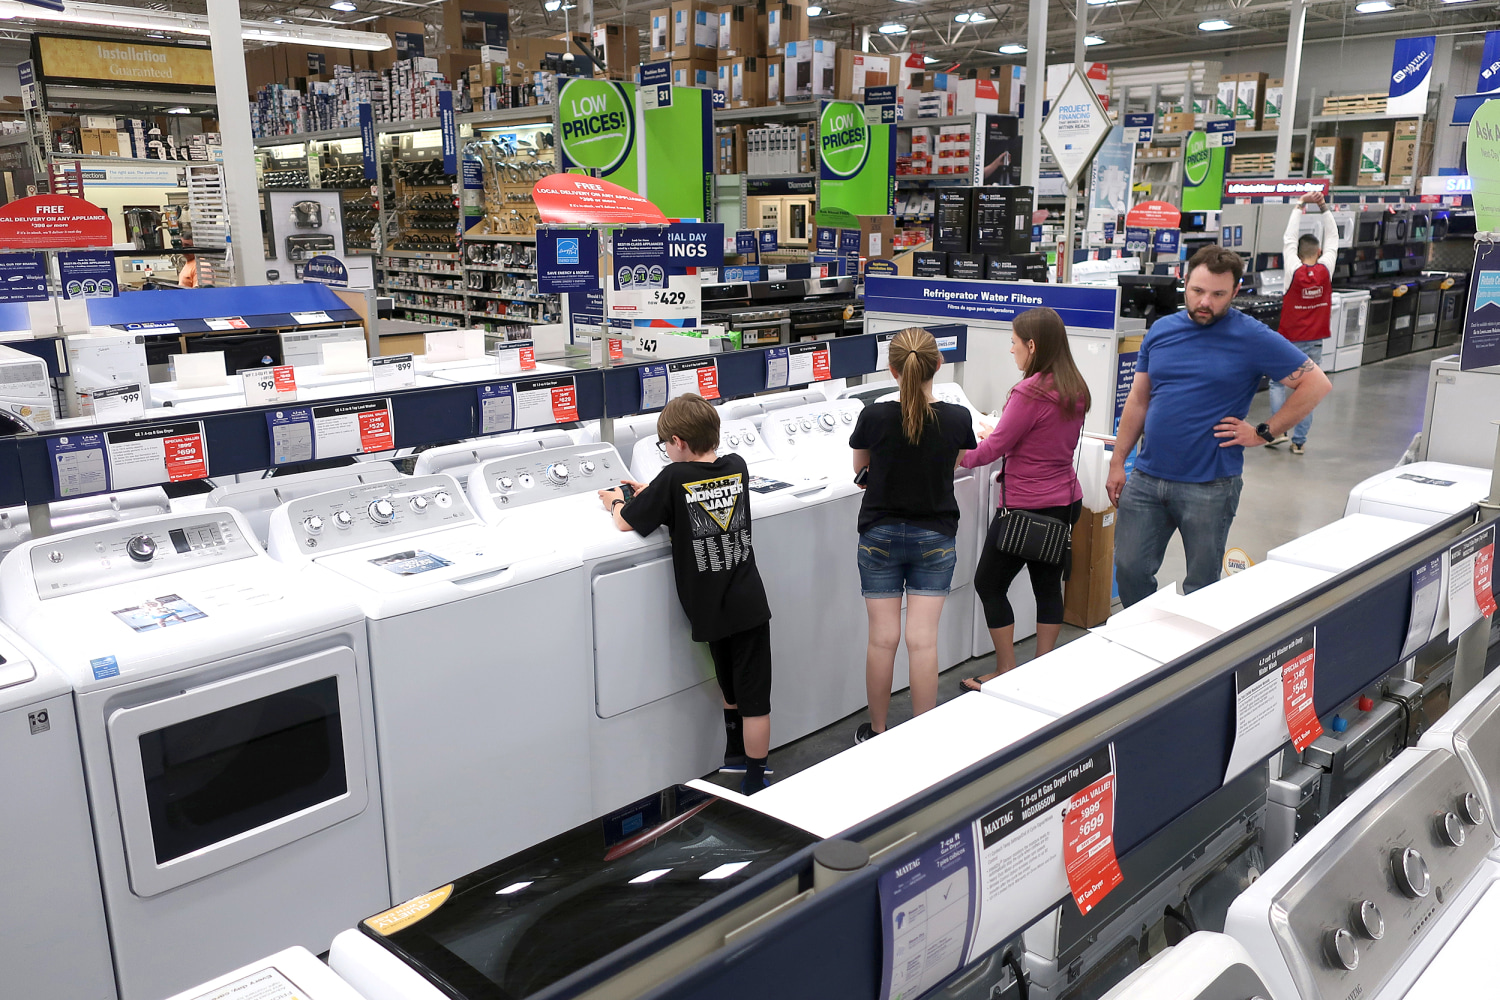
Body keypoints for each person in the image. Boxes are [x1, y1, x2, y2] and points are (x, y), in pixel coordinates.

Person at [1108, 245, 1333, 607]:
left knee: (1202, 585)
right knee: (1129, 568)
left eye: (1218, 294)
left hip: (1210, 485)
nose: (1205, 302)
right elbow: (1139, 399)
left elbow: (1316, 383)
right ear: (1185, 282)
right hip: (1148, 478)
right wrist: (1119, 462)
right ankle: (1145, 640)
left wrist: (1263, 432)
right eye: (1197, 291)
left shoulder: (1251, 336)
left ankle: (1194, 660)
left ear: (1236, 290)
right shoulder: (1162, 331)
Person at [599, 393, 775, 793]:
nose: (665, 453)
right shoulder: (738, 466)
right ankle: (750, 771)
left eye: (665, 446)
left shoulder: (673, 479)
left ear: (677, 441)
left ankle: (745, 770)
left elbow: (627, 523)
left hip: (709, 610)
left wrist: (615, 502)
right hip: (748, 604)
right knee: (753, 697)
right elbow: (694, 488)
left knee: (732, 688)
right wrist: (653, 489)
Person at [849, 328, 976, 743]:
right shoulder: (958, 419)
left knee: (881, 639)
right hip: (935, 536)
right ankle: (924, 734)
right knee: (922, 641)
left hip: (879, 535)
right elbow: (953, 465)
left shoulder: (873, 416)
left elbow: (859, 471)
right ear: (938, 365)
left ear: (892, 370)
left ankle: (878, 731)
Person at [957, 308, 1088, 691]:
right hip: (1064, 502)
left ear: (1032, 345)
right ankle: (1043, 671)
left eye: (1014, 342)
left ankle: (1006, 672)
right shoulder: (1075, 387)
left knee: (989, 583)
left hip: (1026, 508)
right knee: (1047, 587)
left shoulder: (1028, 391)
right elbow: (1042, 436)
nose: (1010, 349)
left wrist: (954, 457)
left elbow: (994, 449)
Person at [1268, 191, 1339, 455]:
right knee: (1307, 389)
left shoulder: (1292, 271)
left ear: (1296, 253)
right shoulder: (1326, 270)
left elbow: (1288, 237)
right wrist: (1322, 206)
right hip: (1314, 342)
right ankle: (1299, 442)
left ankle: (1276, 433)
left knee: (1278, 384)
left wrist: (1299, 205)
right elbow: (1334, 238)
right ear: (1319, 252)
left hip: (1288, 340)